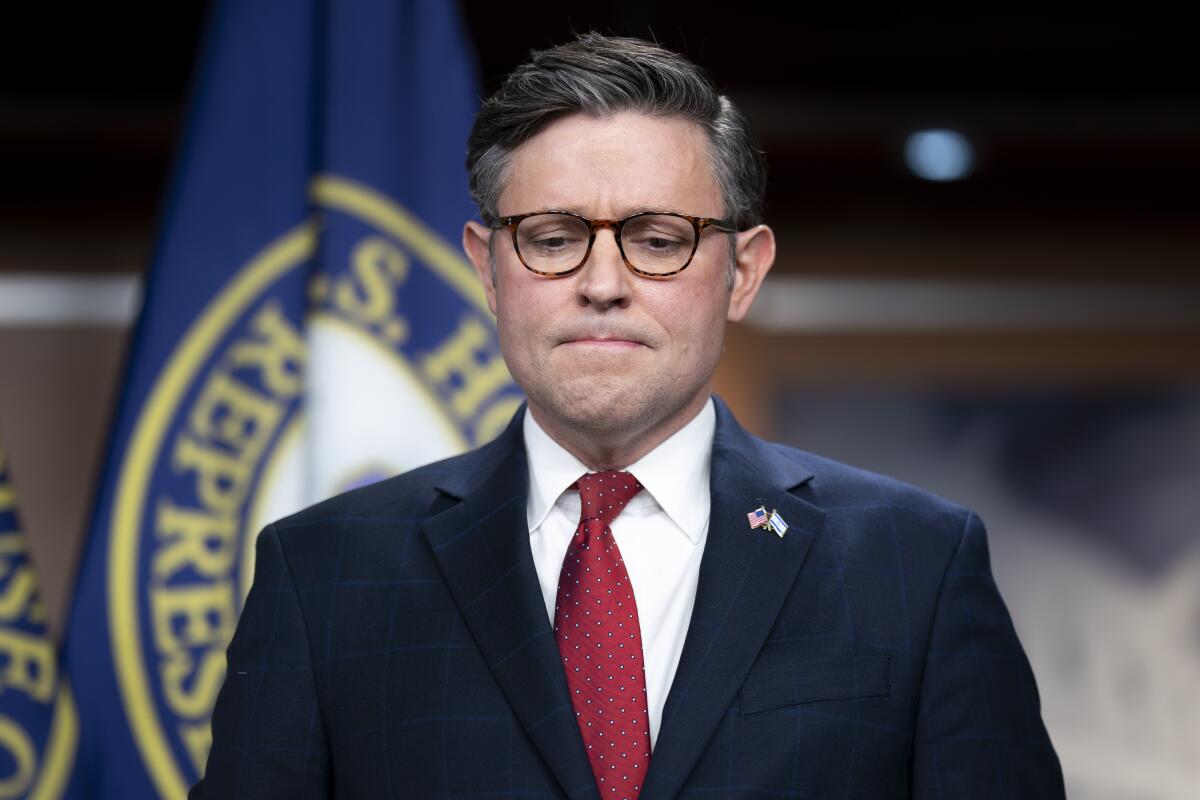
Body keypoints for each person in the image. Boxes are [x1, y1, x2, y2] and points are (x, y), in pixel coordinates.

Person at [194, 33, 1064, 799]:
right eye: (551, 236)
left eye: (657, 239)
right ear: (487, 269)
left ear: (744, 271)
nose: (603, 283)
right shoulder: (324, 576)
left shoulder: (914, 565)